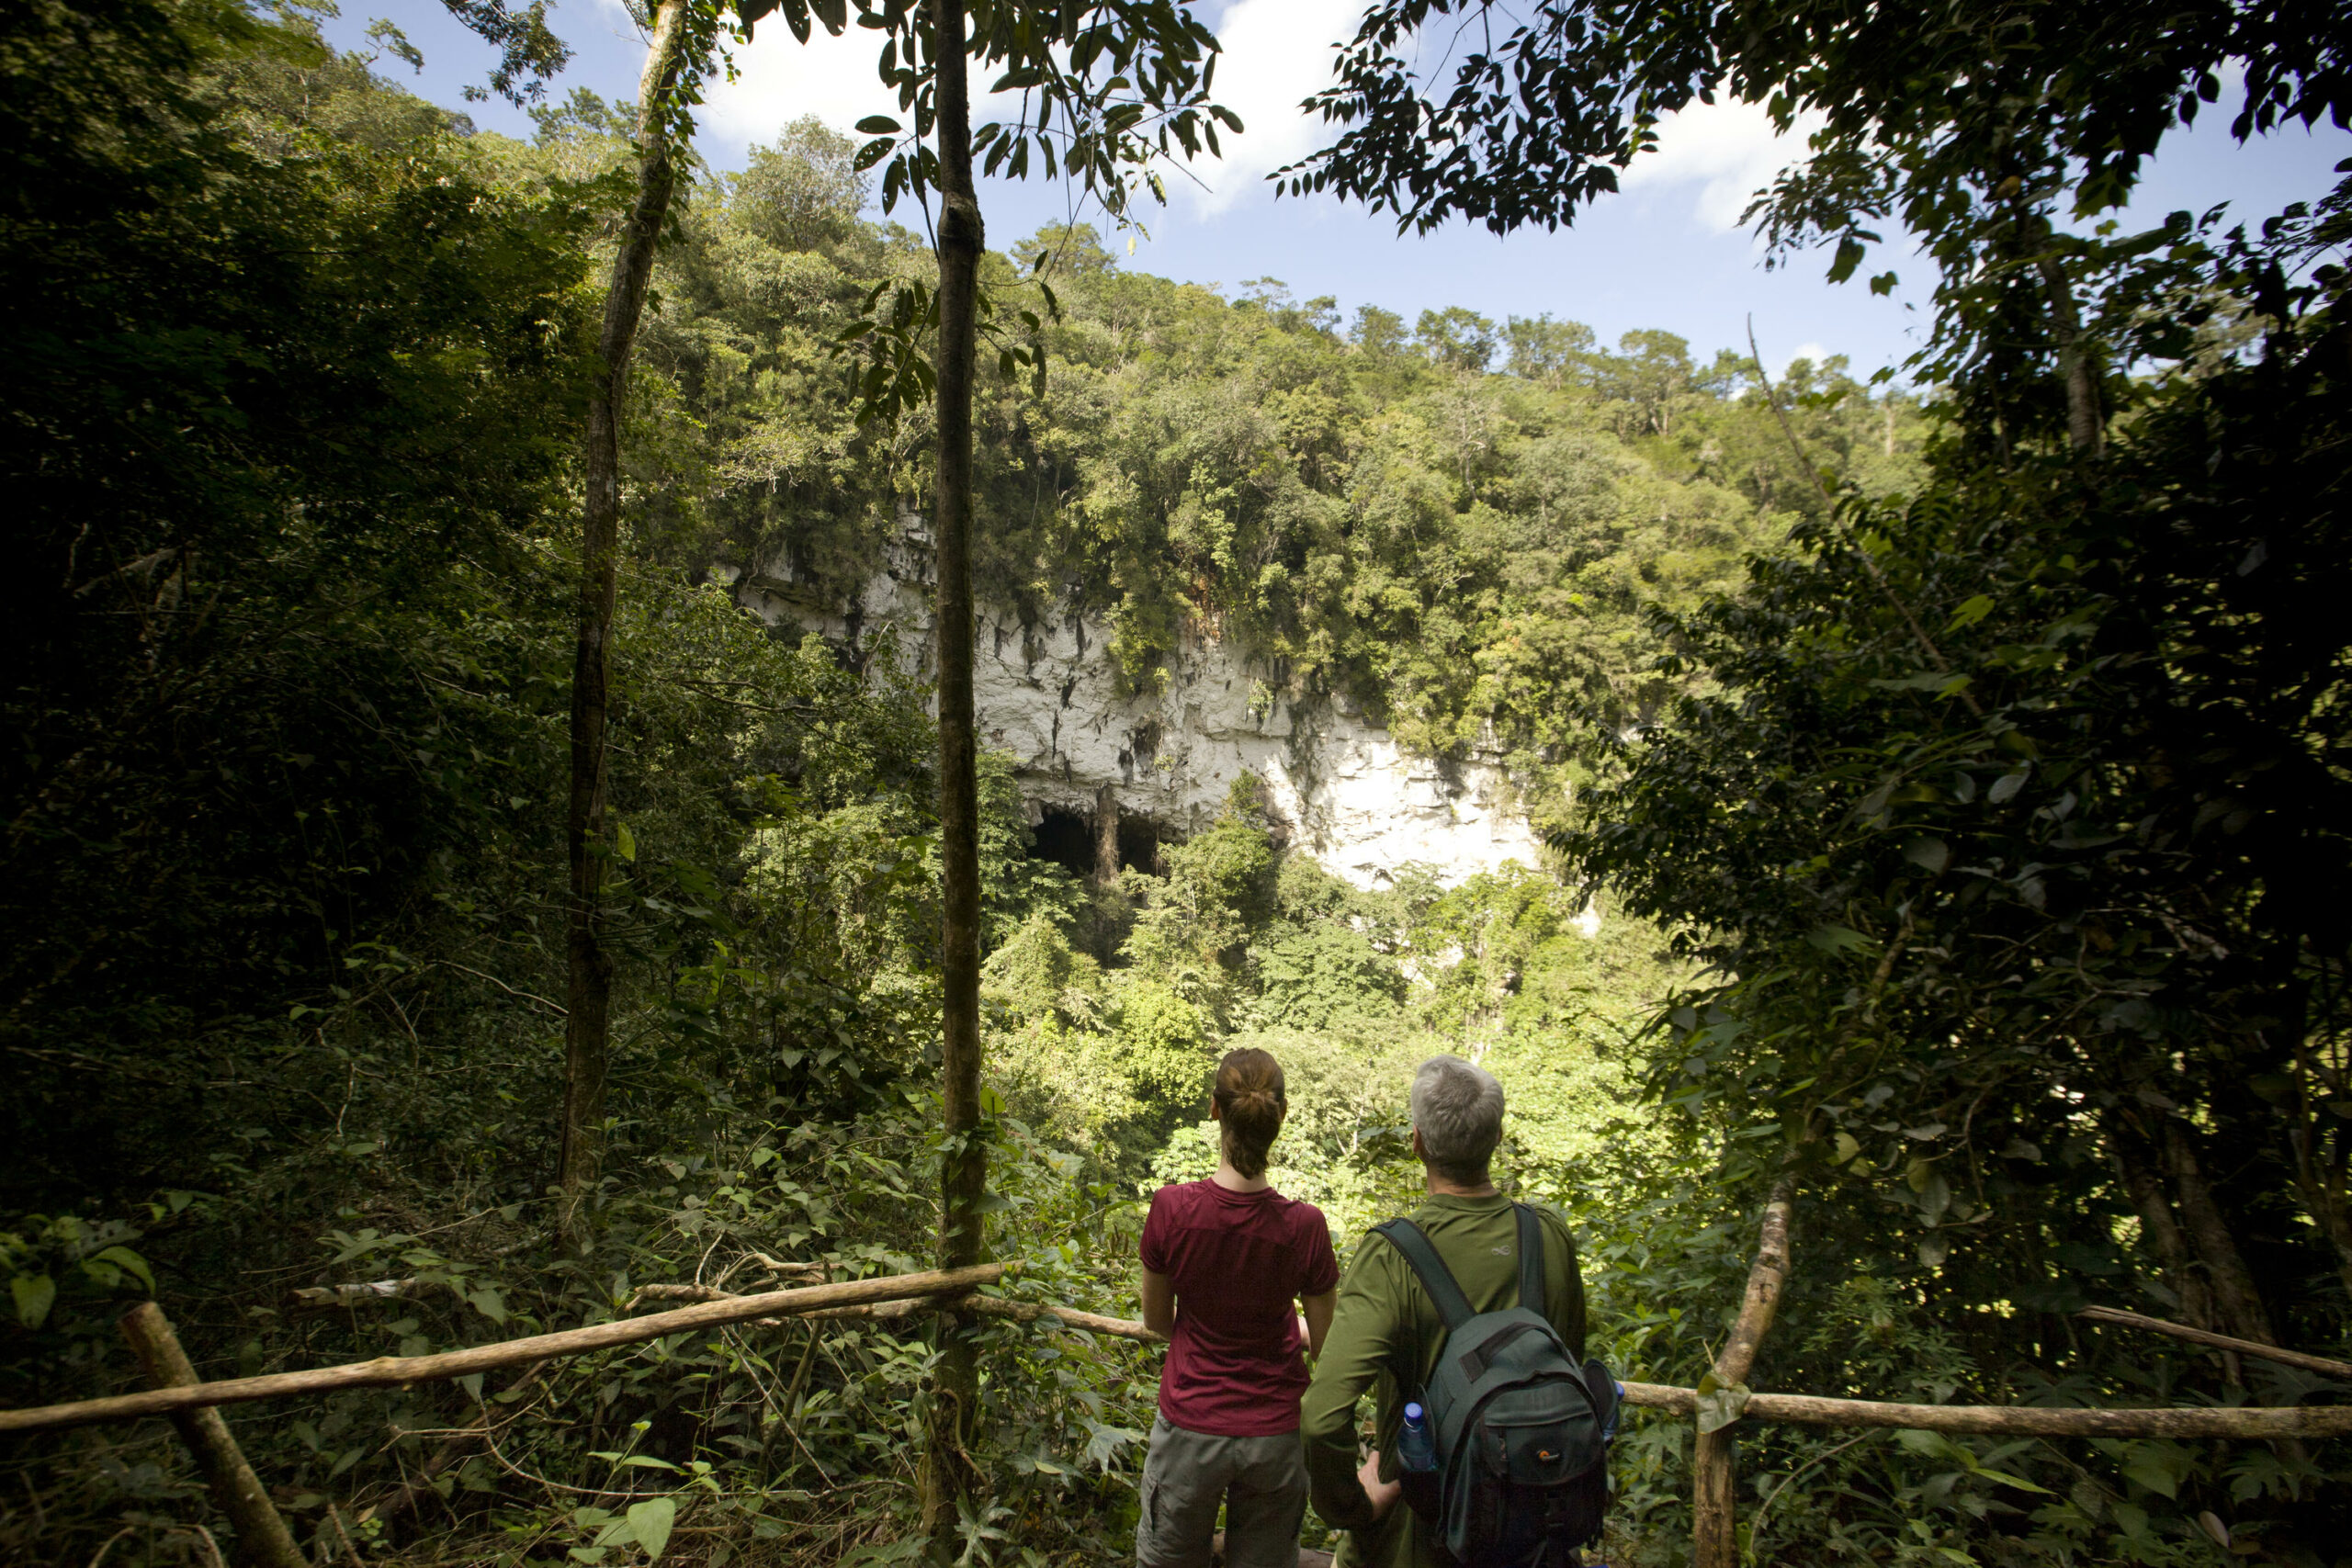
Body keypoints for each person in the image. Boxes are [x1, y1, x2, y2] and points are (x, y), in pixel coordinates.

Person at [1300, 1056, 1588, 1568]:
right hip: (1535, 1525)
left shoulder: (1393, 1255)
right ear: (1498, 1138)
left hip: (1420, 1534)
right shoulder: (1547, 1235)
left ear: (1417, 1143)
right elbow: (1565, 1364)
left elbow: (1322, 1419)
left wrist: (1351, 1506)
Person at [1136, 1047, 1340, 1568]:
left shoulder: (1171, 1209)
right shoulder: (1305, 1227)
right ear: (1281, 1115)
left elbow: (1158, 1322)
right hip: (1275, 1433)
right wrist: (1282, 1324)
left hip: (1189, 1428)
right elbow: (1326, 1347)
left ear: (1214, 1110)